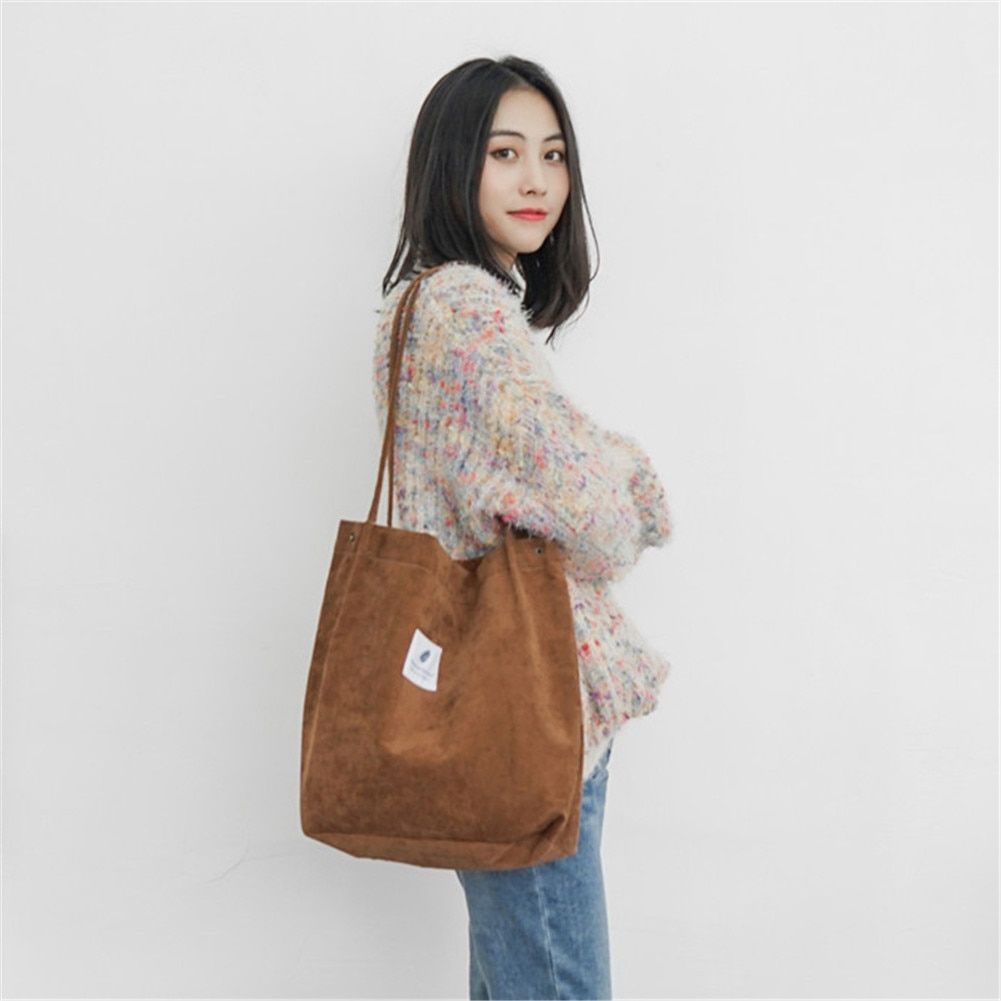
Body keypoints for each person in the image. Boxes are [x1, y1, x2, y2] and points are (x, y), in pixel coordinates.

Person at [372, 55, 674, 1001]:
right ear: (452, 164)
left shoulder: (429, 306)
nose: (536, 179)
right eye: (504, 153)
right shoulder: (465, 311)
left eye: (552, 154)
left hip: (500, 707)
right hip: (525, 714)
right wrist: (634, 478)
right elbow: (595, 515)